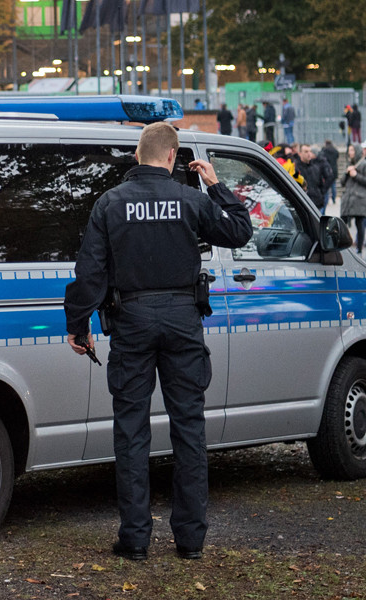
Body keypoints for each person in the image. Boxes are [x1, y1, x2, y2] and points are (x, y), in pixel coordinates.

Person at [63, 122, 253, 562]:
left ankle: (134, 539)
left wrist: (78, 324)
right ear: (172, 156)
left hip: (130, 321)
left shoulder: (110, 203)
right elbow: (240, 230)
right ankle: (190, 540)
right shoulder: (191, 199)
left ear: (137, 155)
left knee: (131, 430)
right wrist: (215, 184)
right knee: (189, 428)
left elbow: (89, 272)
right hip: (183, 321)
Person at [340, 143, 366, 253]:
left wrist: (356, 175)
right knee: (342, 224)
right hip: (348, 199)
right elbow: (342, 182)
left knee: (360, 225)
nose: (350, 152)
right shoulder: (349, 164)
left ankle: (359, 249)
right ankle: (342, 247)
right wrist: (347, 173)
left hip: (359, 200)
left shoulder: (363, 164)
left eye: (352, 150)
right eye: (349, 150)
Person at [295, 143, 327, 210]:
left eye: (310, 151)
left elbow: (321, 185)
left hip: (316, 203)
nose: (309, 154)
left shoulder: (315, 167)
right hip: (303, 205)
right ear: (300, 153)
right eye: (306, 152)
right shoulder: (295, 169)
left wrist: (321, 196)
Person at [319, 140, 340, 212]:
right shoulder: (334, 150)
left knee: (327, 186)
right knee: (333, 185)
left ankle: (327, 200)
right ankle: (334, 198)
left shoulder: (324, 150)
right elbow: (337, 156)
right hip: (334, 170)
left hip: (327, 169)